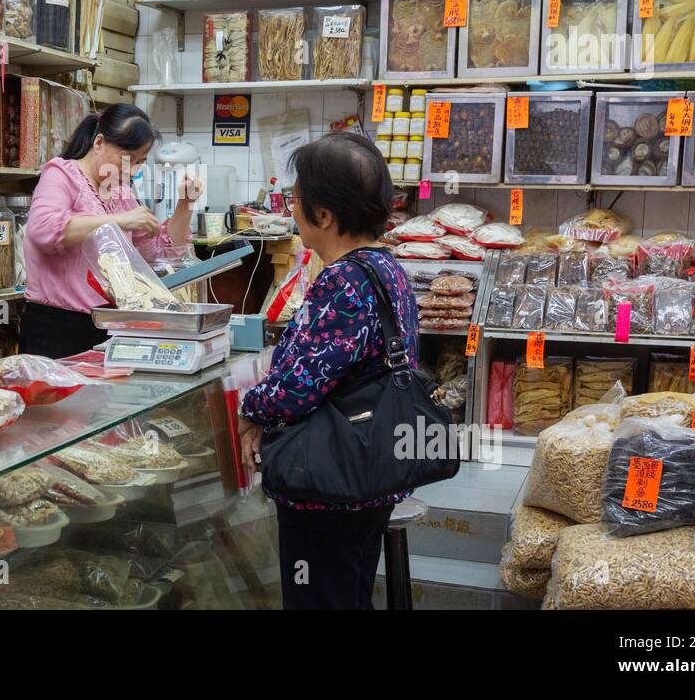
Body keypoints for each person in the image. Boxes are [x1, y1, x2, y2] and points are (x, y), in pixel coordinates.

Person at [237, 131, 420, 611]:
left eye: (296, 199)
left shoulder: (343, 280)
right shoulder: (387, 269)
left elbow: (299, 385)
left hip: (329, 484)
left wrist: (250, 407)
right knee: (348, 591)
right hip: (370, 472)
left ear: (324, 214)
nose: (291, 208)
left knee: (319, 597)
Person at [22, 103, 201, 358]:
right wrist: (120, 221)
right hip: (57, 329)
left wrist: (186, 204)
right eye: (128, 159)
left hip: (109, 325)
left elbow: (158, 255)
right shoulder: (61, 175)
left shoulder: (121, 193)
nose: (134, 170)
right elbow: (43, 230)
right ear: (98, 143)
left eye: (140, 162)